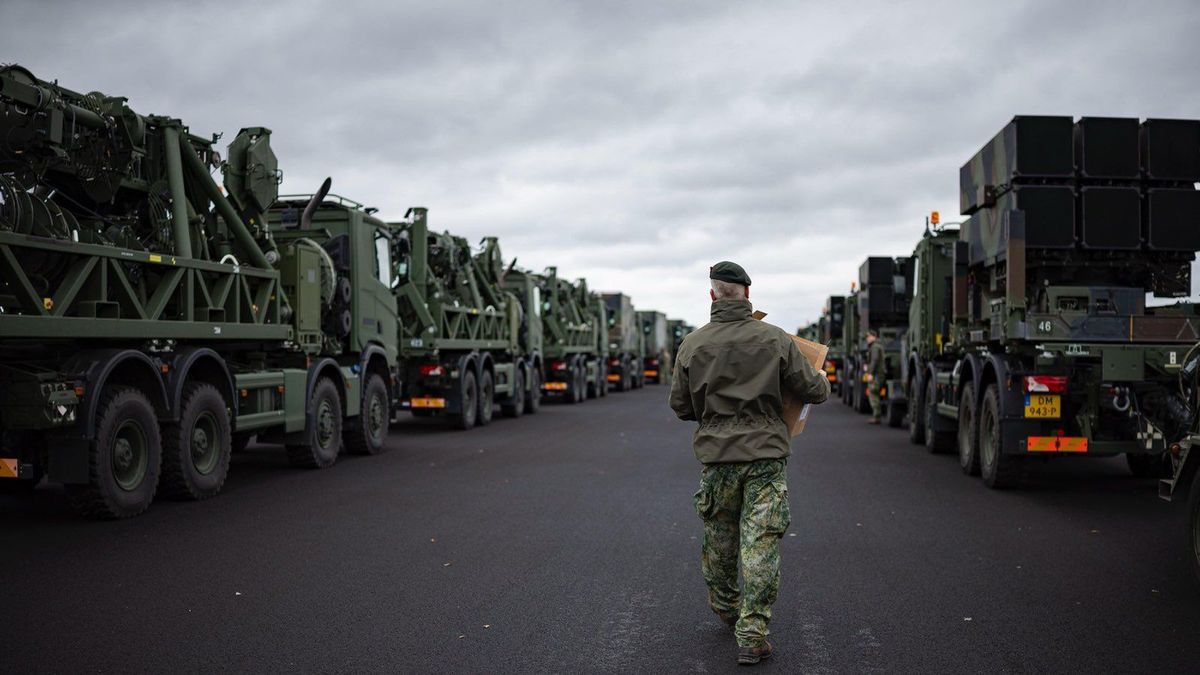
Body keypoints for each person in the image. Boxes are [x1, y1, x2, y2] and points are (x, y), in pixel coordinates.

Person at [668, 261, 830, 665]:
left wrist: (715, 416)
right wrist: (823, 380)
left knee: (720, 538)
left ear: (712, 295)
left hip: (718, 459)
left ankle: (727, 607)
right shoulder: (775, 339)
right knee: (761, 543)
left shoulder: (692, 345)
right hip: (765, 458)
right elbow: (813, 390)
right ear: (747, 292)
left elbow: (681, 406)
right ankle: (753, 635)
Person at [865, 329, 885, 424]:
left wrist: (870, 373)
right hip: (878, 374)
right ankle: (877, 415)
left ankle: (877, 416)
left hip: (876, 375)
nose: (867, 339)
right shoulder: (876, 346)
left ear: (874, 337)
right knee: (874, 394)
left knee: (873, 394)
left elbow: (874, 360)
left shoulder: (875, 347)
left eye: (869, 336)